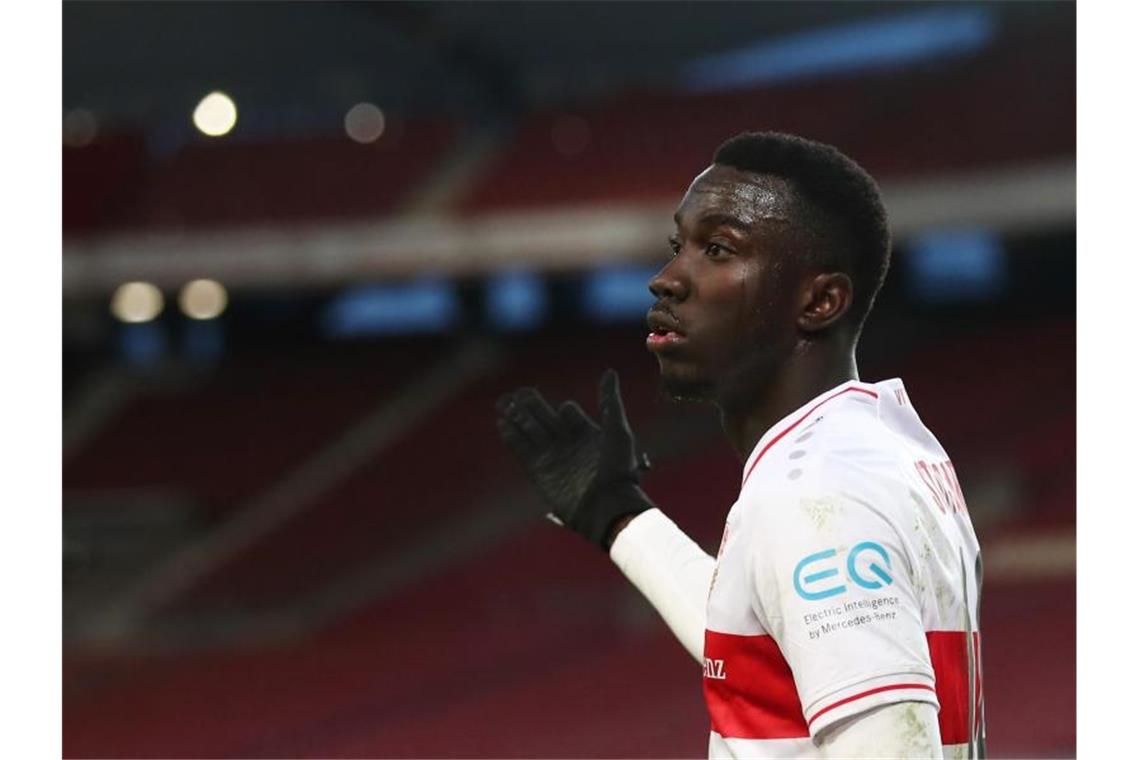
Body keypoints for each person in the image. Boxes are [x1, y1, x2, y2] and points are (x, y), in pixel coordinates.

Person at [494, 131, 985, 759]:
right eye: (680, 246)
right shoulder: (882, 449)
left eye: (718, 249)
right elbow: (771, 639)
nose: (666, 280)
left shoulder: (817, 494)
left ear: (820, 301)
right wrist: (616, 513)